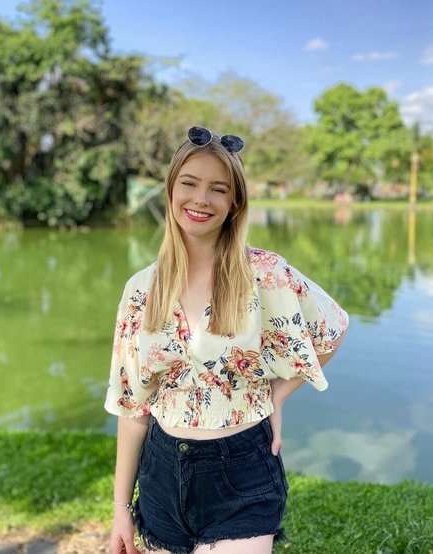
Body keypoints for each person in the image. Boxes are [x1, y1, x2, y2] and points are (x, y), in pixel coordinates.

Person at [104, 127, 349, 554]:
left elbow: (332, 329)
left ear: (234, 202)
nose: (201, 199)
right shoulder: (141, 288)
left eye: (218, 189)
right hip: (161, 474)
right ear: (171, 189)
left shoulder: (265, 273)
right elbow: (132, 406)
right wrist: (121, 508)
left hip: (241, 470)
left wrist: (277, 394)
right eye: (189, 183)